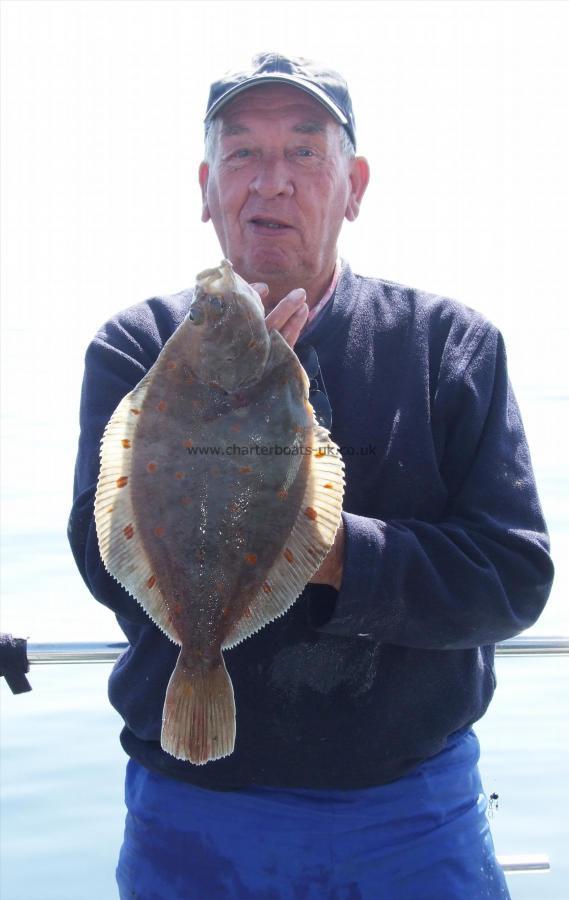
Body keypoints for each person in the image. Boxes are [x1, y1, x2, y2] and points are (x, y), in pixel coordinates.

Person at [68, 52, 554, 899]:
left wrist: (317, 546)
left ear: (353, 184)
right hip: (192, 810)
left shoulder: (450, 345)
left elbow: (510, 579)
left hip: (409, 811)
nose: (271, 183)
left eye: (303, 151)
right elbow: (97, 550)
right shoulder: (138, 346)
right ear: (206, 186)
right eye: (242, 154)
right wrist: (220, 420)